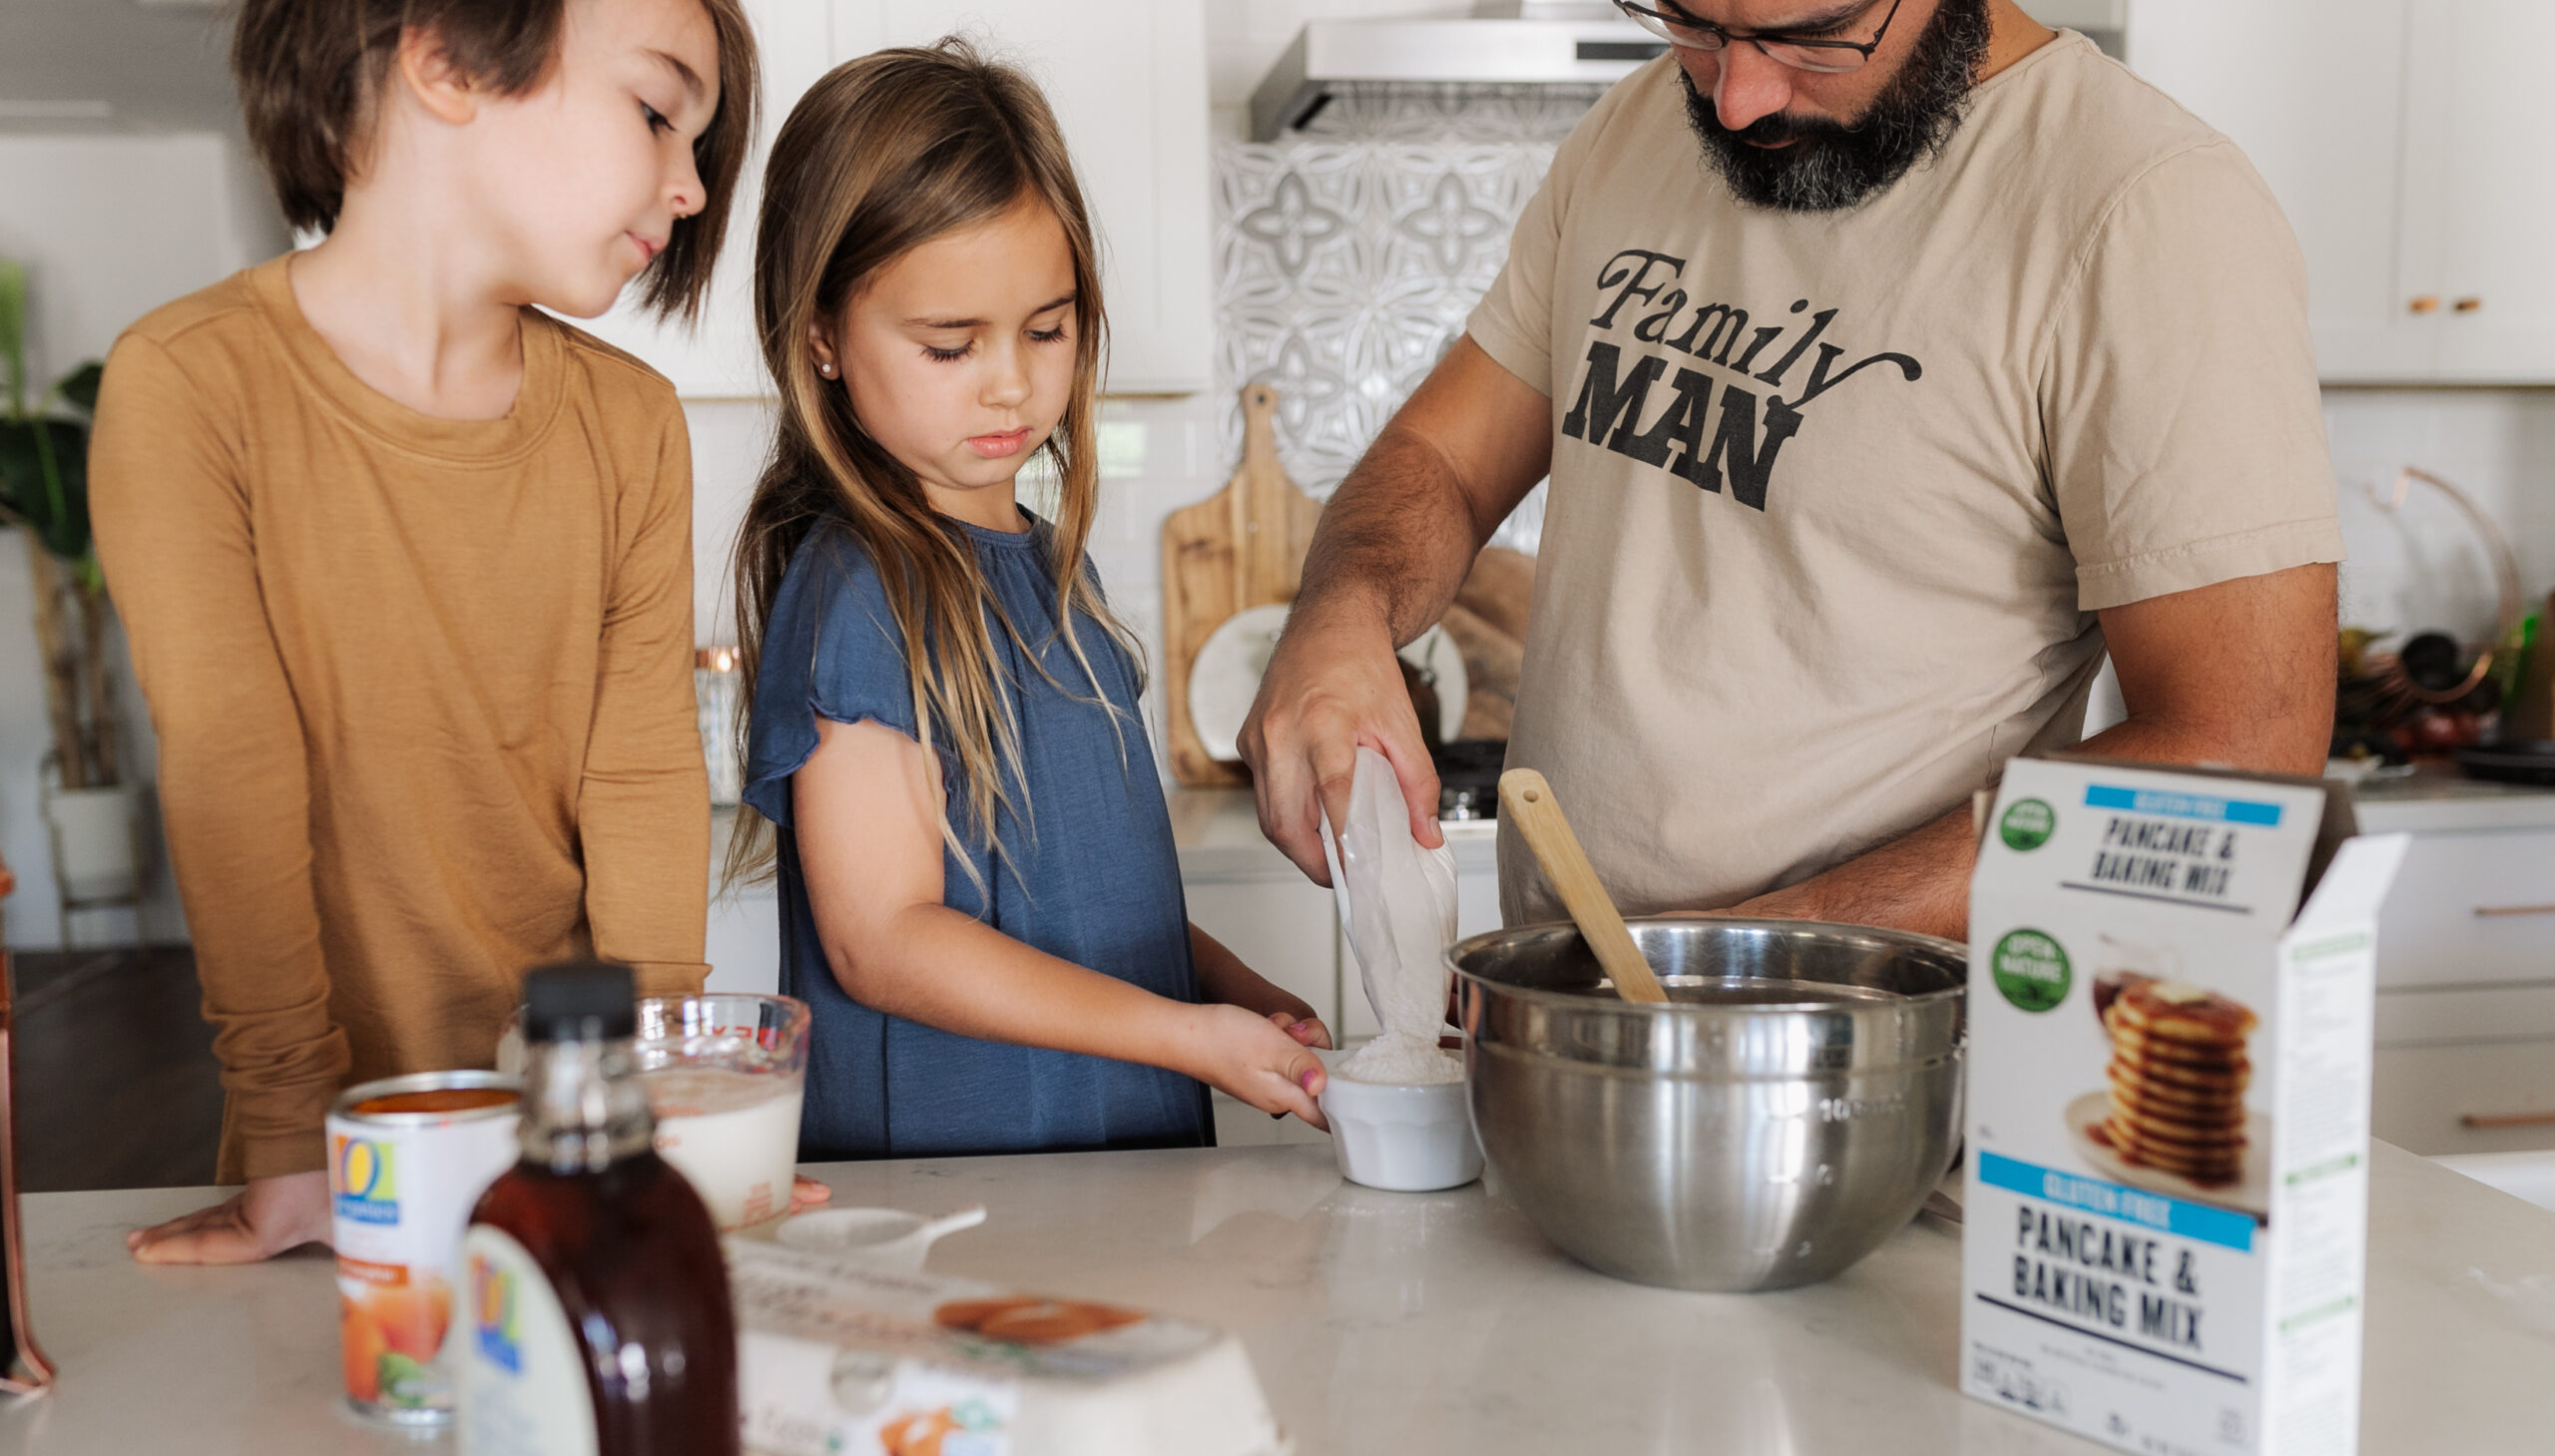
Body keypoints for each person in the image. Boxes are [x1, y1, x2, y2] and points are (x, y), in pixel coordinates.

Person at [1242, 0, 2342, 940]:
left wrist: (1749, 953)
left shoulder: (2142, 206)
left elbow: (2239, 752)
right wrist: (1338, 616)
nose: (1735, 99)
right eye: (1689, 21)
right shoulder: (1634, 131)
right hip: (1580, 1019)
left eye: (1812, 37)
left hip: (1881, 1061)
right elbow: (1442, 455)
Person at [90, 0, 773, 1262]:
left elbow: (636, 771)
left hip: (580, 1134)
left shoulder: (628, 425)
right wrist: (295, 1135)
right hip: (345, 1154)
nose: (687, 187)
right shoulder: (191, 384)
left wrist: (658, 1096)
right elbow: (233, 768)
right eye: (655, 109)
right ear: (447, 58)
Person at [732, 43, 1331, 1160]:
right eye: (950, 344)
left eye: (1046, 330)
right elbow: (883, 940)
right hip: (963, 1196)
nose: (1011, 382)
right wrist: (1184, 1037)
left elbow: (1073, 901)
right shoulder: (860, 592)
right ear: (820, 336)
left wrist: (1224, 991)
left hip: (1102, 1176)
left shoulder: (1059, 574)